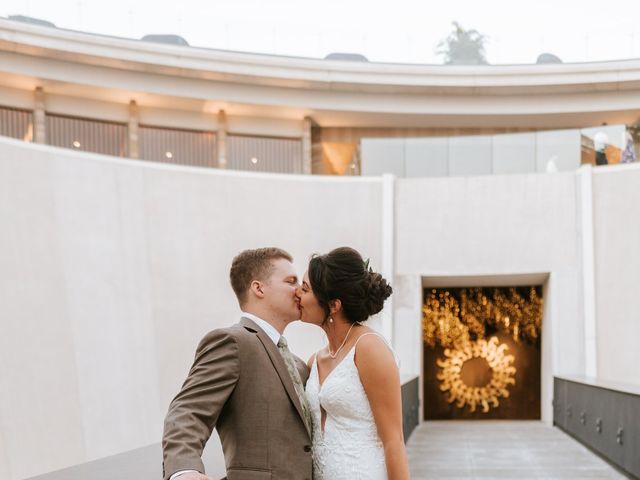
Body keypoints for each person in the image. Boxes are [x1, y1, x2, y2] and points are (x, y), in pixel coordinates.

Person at [162, 247, 313, 480]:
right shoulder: (232, 342)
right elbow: (189, 411)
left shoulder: (300, 365)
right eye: (291, 281)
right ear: (258, 288)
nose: (300, 291)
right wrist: (184, 470)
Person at [297, 247, 410, 480]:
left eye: (305, 288)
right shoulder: (315, 360)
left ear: (334, 305)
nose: (297, 293)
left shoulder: (369, 348)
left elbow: (393, 439)